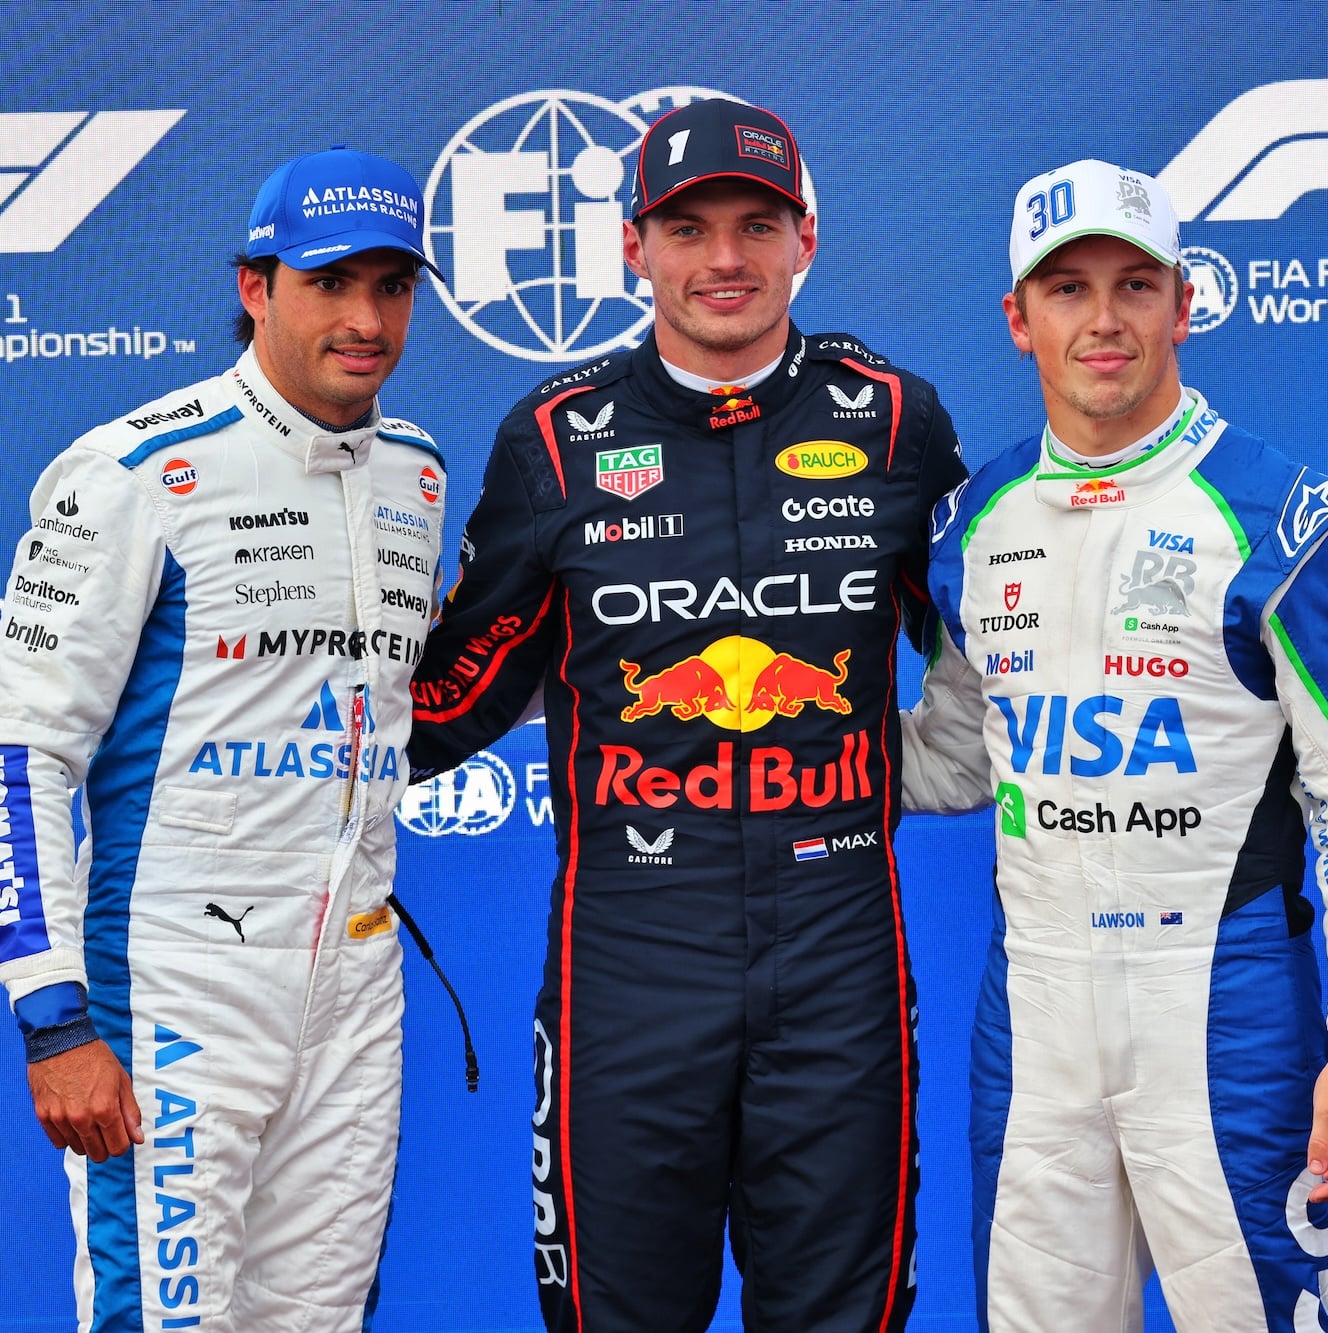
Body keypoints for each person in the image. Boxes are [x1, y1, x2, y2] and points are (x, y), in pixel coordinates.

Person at [405, 99, 967, 1332]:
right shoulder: (554, 435)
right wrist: (273, 741)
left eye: (755, 224)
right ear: (632, 248)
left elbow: (1004, 639)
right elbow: (460, 686)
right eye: (687, 227)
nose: (724, 257)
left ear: (805, 238)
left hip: (836, 951)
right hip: (627, 953)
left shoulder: (893, 420)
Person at [901, 159, 1328, 1332]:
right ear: (1016, 319)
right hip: (1033, 1008)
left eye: (1133, 286)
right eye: (1067, 288)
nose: (1101, 320)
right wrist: (749, 750)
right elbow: (951, 755)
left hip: (1224, 1001)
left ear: (1182, 304)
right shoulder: (968, 525)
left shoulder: (1284, 517)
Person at [0, 147, 447, 1330]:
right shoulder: (133, 470)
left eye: (390, 287)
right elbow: (18, 753)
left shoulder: (417, 475)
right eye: (330, 283)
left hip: (355, 978)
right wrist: (54, 1017)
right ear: (255, 287)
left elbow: (409, 705)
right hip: (177, 985)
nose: (364, 319)